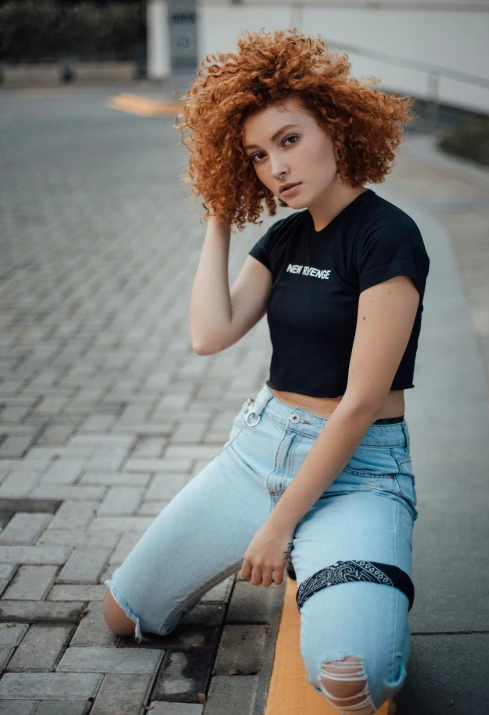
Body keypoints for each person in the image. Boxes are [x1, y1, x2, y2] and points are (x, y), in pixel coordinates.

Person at [103, 27, 430, 715]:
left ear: (336, 130)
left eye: (288, 140)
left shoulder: (388, 236)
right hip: (259, 451)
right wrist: (218, 218)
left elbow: (361, 401)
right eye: (255, 156)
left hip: (358, 470)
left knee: (352, 676)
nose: (275, 167)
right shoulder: (283, 235)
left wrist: (280, 526)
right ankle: (334, 576)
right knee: (123, 614)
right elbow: (208, 334)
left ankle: (348, 580)